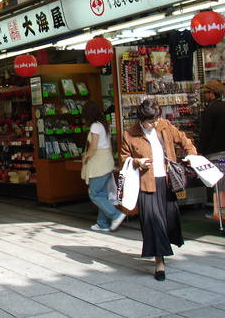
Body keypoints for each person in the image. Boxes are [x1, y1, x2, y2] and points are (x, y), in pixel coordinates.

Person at [120, 98, 197, 281]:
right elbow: (123, 158)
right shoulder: (130, 134)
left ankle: (164, 248)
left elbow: (183, 140)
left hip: (167, 180)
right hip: (147, 183)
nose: (154, 124)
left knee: (169, 219)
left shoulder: (165, 125)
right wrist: (137, 162)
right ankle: (159, 263)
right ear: (141, 119)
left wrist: (192, 155)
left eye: (156, 119)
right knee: (154, 223)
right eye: (150, 121)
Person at [80, 100, 125, 232]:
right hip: (107, 161)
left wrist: (85, 156)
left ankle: (115, 215)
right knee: (102, 193)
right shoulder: (104, 125)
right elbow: (109, 147)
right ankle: (102, 223)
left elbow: (93, 147)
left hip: (98, 164)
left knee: (95, 194)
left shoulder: (94, 126)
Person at [197, 79, 225, 220]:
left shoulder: (210, 110)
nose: (205, 96)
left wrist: (199, 151)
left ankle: (219, 214)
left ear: (212, 94)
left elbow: (205, 133)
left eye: (206, 93)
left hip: (215, 152)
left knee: (218, 186)